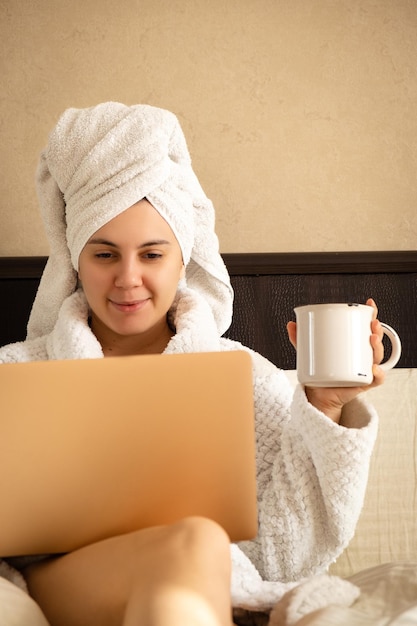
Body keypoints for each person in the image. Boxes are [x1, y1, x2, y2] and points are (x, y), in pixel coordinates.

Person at [0, 102, 384, 626]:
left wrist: (326, 403)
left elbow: (285, 555)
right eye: (105, 254)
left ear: (184, 257)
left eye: (152, 255)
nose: (128, 278)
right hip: (61, 583)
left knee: (196, 552)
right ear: (74, 259)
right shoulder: (17, 375)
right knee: (199, 536)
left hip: (192, 587)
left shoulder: (241, 378)